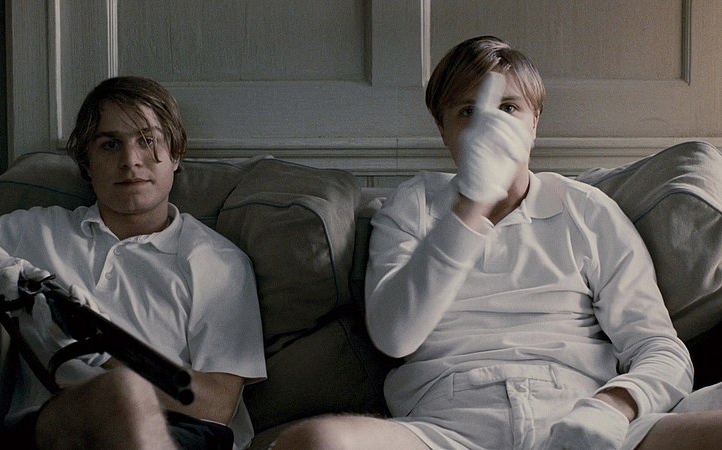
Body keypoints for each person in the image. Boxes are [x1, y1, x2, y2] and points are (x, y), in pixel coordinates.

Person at [270, 36, 722, 450]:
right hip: (449, 427)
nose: (490, 126)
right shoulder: (414, 205)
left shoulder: (586, 209)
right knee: (313, 442)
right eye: (468, 112)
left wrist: (610, 408)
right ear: (443, 129)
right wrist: (472, 205)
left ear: (534, 123)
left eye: (508, 108)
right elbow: (395, 336)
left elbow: (660, 349)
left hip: (579, 419)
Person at [0, 76, 266, 450]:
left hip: (181, 433)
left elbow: (216, 407)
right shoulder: (37, 230)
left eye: (148, 141)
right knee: (114, 395)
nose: (130, 161)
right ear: (87, 163)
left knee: (123, 392)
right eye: (110, 145)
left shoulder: (218, 263)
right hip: (57, 426)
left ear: (176, 154)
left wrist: (104, 348)